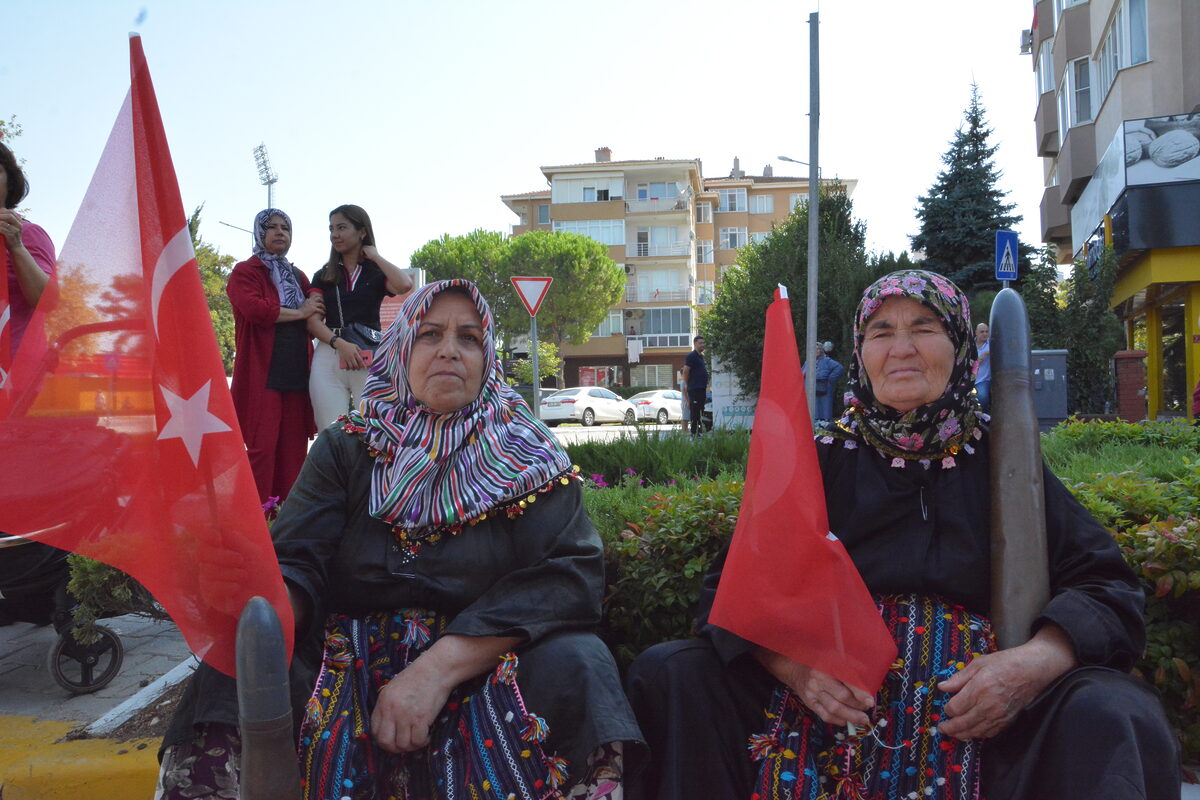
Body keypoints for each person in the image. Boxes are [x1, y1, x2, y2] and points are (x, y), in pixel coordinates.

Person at [626, 270, 1177, 800]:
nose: (902, 348)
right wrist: (797, 670)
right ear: (860, 353)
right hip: (828, 710)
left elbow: (1107, 589)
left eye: (924, 328)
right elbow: (732, 595)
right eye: (881, 332)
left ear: (961, 345)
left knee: (1115, 709)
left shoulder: (1005, 459)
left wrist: (1030, 666)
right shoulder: (819, 459)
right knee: (672, 673)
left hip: (985, 718)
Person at [159, 279, 644, 800]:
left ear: (489, 358)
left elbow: (570, 576)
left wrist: (435, 671)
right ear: (401, 349)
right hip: (341, 669)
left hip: (479, 666)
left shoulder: (530, 456)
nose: (449, 350)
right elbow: (299, 562)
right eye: (430, 334)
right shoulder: (346, 448)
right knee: (243, 658)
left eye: (470, 338)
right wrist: (261, 597)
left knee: (580, 662)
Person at [227, 208, 323, 504]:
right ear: (259, 233)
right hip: (262, 375)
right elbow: (256, 310)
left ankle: (287, 522)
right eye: (273, 227)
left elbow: (318, 310)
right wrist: (302, 311)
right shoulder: (245, 272)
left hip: (297, 374)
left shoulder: (298, 276)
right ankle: (254, 520)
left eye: (286, 228)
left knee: (293, 453)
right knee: (262, 450)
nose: (281, 232)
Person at [307, 204, 412, 429]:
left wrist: (375, 255)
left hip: (368, 353)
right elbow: (313, 321)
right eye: (331, 229)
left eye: (342, 227)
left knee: (373, 427)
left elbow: (404, 284)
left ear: (361, 232)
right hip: (328, 353)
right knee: (330, 429)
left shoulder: (375, 272)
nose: (335, 234)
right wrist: (339, 343)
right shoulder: (323, 275)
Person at [0, 140, 56, 358]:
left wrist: (16, 245)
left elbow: (48, 302)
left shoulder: (29, 233)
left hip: (13, 377)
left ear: (10, 183)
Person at [807, 340, 845, 421]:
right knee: (814, 408)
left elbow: (839, 368)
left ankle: (825, 425)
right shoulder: (809, 361)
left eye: (817, 349)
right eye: (814, 349)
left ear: (821, 350)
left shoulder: (826, 360)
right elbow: (803, 373)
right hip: (812, 390)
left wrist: (830, 379)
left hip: (825, 389)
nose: (816, 351)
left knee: (825, 409)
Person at [681, 335, 708, 435]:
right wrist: (687, 384)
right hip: (694, 388)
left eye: (703, 343)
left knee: (701, 410)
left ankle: (699, 431)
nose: (702, 345)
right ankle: (694, 432)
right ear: (695, 344)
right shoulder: (691, 356)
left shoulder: (701, 357)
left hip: (701, 388)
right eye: (700, 343)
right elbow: (685, 371)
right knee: (695, 411)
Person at [974, 321, 991, 411]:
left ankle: (982, 417)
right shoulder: (969, 345)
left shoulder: (992, 344)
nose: (985, 334)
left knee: (982, 396)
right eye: (982, 332)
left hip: (983, 380)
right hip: (968, 380)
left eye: (986, 331)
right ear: (976, 332)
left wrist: (986, 353)